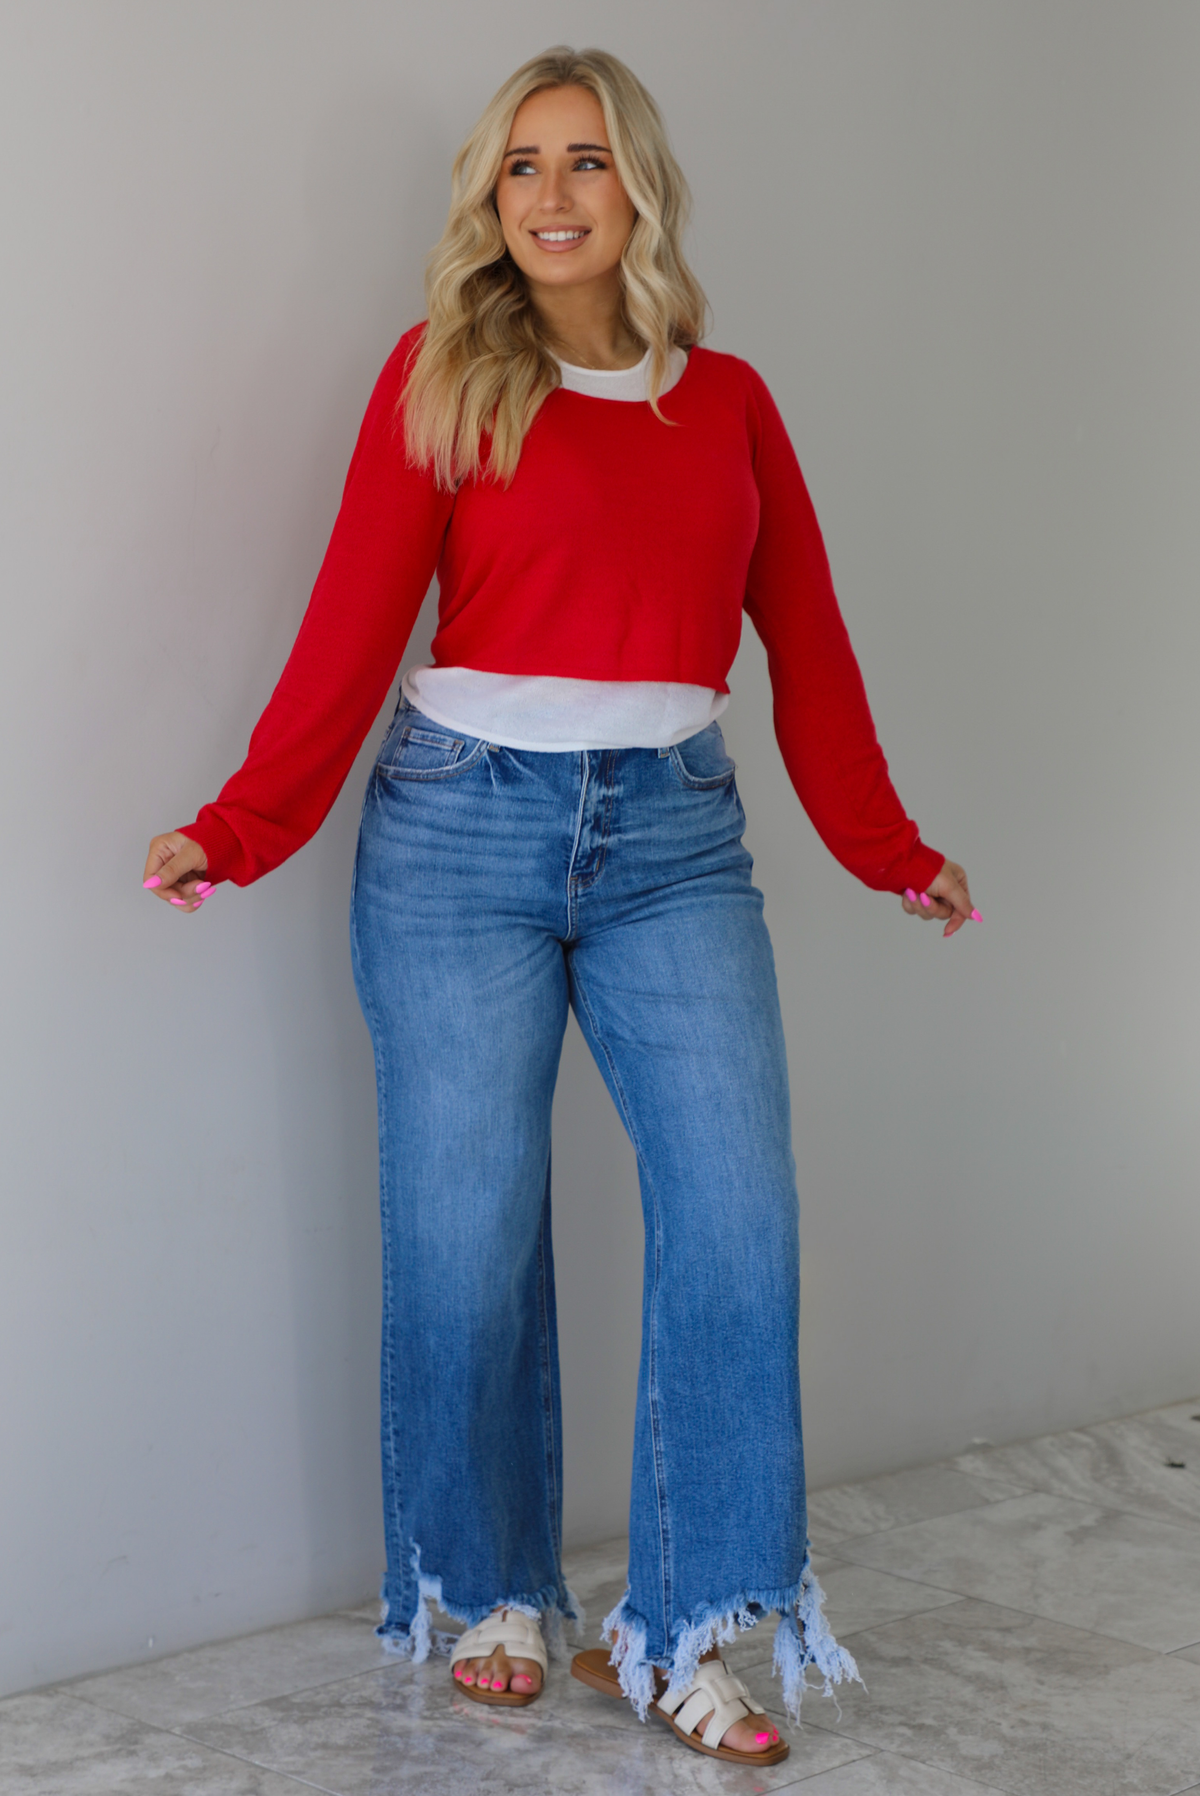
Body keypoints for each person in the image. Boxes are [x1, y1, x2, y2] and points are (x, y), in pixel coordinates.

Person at [142, 46, 978, 1770]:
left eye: (584, 159)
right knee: (469, 1239)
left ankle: (682, 1628)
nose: (547, 192)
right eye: (518, 164)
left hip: (676, 838)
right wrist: (243, 825)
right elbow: (352, 627)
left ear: (639, 190)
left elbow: (806, 647)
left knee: (738, 1217)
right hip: (457, 841)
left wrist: (887, 844)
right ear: (488, 197)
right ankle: (501, 1591)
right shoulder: (446, 375)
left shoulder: (731, 401)